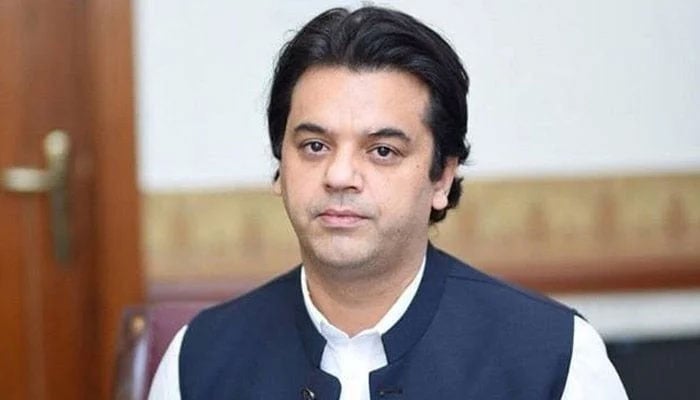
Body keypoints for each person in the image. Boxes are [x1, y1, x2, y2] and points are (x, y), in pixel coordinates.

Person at [149, 6, 627, 400]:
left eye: (382, 151)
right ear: (280, 166)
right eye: (314, 146)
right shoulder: (198, 360)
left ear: (442, 176)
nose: (339, 176)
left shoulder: (553, 357)